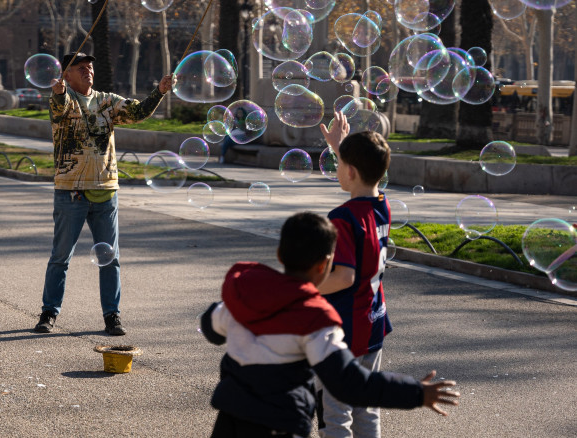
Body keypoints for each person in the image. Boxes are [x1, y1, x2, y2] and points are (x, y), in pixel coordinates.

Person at [200, 212, 460, 438]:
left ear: (280, 254)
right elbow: (349, 383)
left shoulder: (246, 296)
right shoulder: (315, 321)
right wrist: (415, 392)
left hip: (229, 422)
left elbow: (211, 328)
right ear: (325, 264)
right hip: (278, 427)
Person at [34, 52, 176, 336]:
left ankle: (112, 315)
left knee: (111, 258)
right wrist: (59, 93)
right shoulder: (61, 100)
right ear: (66, 74)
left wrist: (159, 92)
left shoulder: (107, 102)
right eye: (81, 68)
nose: (88, 71)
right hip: (70, 190)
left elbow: (138, 112)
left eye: (90, 68)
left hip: (105, 190)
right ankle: (49, 313)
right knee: (61, 257)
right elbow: (58, 111)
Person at [315, 112, 393, 437]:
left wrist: (304, 286)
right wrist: (340, 148)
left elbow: (343, 277)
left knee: (335, 415)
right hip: (373, 323)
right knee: (366, 409)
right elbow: (361, 179)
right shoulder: (381, 206)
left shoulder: (342, 218)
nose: (337, 170)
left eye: (339, 164)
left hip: (344, 333)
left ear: (349, 170)